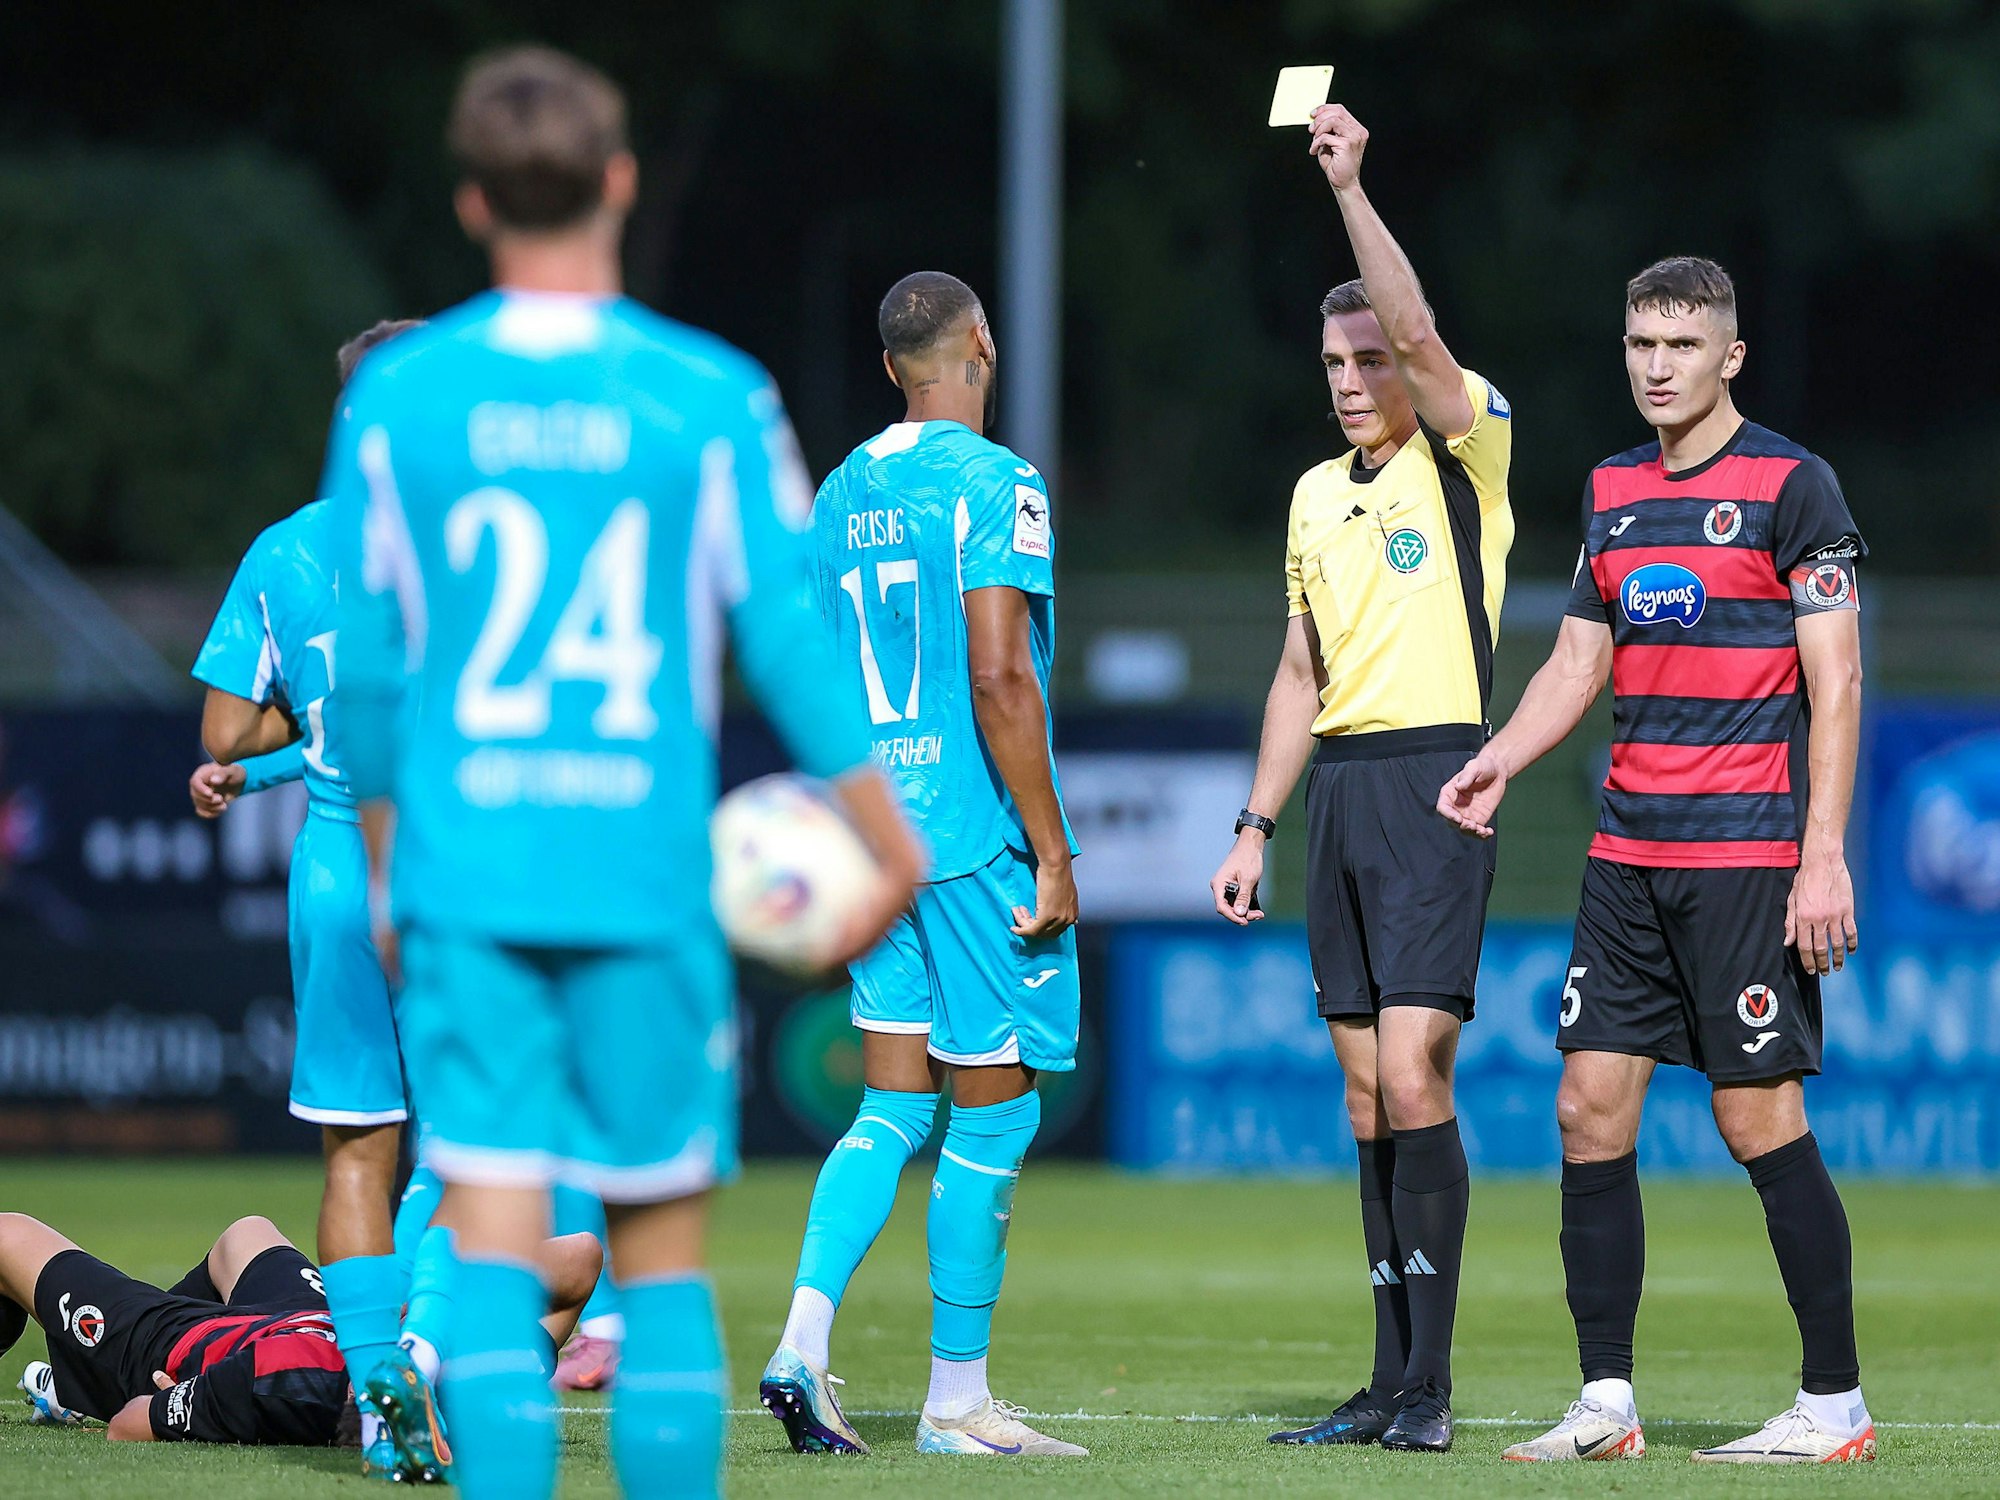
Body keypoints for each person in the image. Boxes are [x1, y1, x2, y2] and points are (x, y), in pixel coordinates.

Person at [329, 46, 923, 1500]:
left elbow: (373, 665)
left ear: (472, 202)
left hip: (472, 872)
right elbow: (783, 637)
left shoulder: (399, 395)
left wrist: (396, 864)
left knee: (484, 1237)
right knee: (656, 1262)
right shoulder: (708, 395)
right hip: (644, 874)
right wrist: (888, 838)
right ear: (619, 181)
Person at [1439, 256, 1874, 1465]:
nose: (1654, 365)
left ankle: (1833, 1406)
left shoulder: (1793, 485)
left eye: (1679, 345)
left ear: (1728, 356)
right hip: (1624, 857)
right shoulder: (1614, 489)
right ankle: (1603, 1406)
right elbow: (1578, 665)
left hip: (1744, 858)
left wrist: (1820, 856)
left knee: (1754, 1120)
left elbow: (1833, 681)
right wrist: (1500, 758)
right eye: (1638, 343)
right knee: (1584, 1109)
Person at [1207, 103, 1514, 1455]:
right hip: (1336, 791)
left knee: (1414, 1076)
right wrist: (1253, 821)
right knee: (1358, 1096)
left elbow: (1427, 334)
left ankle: (1432, 1390)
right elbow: (1296, 676)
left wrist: (1348, 187)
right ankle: (1387, 1380)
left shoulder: (1469, 450)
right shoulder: (1312, 495)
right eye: (1333, 359)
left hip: (1438, 783)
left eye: (1367, 355)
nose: (1347, 376)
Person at [759, 271, 1087, 1461]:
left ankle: (802, 1342)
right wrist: (1049, 847)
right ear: (981, 347)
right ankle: (955, 1401)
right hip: (966, 840)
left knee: (891, 1103)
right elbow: (1001, 675)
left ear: (891, 363)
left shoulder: (838, 491)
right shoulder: (997, 485)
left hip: (871, 842)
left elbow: (799, 670)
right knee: (993, 1115)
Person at [188, 316, 426, 1480]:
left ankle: (380, 1409)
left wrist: (276, 742)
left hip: (334, 866)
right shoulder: (482, 528)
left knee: (354, 1155)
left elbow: (227, 729)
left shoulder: (286, 550)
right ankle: (428, 1354)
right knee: (486, 1143)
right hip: (457, 868)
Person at [1, 1210, 599, 1453]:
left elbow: (133, 1428)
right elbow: (581, 1258)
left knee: (8, 1236)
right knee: (248, 1233)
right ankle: (83, 1364)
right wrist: (431, 1301)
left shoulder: (287, 1376)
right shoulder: (461, 1371)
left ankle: (79, 1383)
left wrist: (167, 1402)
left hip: (185, 1353)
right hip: (302, 1318)